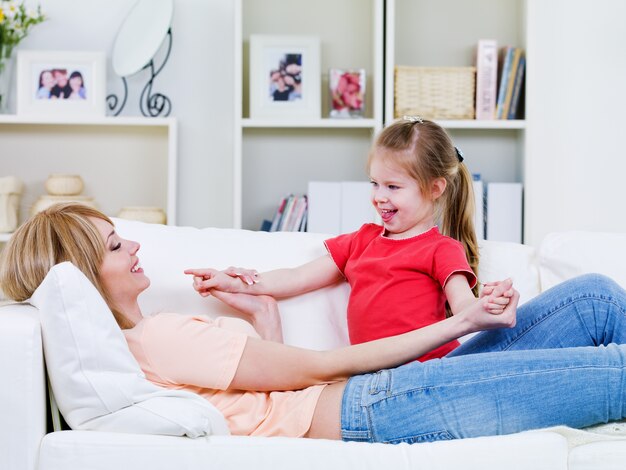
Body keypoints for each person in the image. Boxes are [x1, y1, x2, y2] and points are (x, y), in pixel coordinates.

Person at [2, 203, 626, 444]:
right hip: (376, 407)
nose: (134, 249)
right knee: (614, 371)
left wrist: (264, 311)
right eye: (114, 247)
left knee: (593, 298)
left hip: (359, 400)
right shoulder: (156, 338)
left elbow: (271, 396)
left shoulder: (161, 334)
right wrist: (456, 322)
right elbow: (325, 367)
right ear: (85, 274)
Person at [187, 117, 485, 361]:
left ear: (435, 188)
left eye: (393, 187)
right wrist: (231, 281)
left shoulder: (442, 249)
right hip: (374, 377)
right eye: (375, 184)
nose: (379, 197)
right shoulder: (362, 241)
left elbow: (464, 308)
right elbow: (296, 277)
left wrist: (488, 305)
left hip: (431, 371)